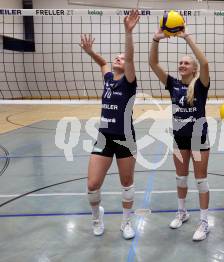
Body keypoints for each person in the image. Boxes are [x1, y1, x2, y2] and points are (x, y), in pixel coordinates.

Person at [80, 10, 139, 239]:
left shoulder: (129, 82)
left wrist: (128, 31)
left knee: (126, 182)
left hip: (126, 137)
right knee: (93, 184)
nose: (118, 58)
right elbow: (103, 62)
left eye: (121, 58)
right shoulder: (107, 77)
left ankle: (126, 223)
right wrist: (89, 51)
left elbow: (130, 58)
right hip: (104, 137)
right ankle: (97, 218)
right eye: (117, 57)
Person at [149, 27, 211, 241]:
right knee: (181, 178)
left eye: (186, 63)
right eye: (180, 63)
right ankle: (182, 212)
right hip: (179, 139)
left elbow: (205, 63)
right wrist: (156, 40)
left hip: (198, 139)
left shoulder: (201, 85)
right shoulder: (173, 84)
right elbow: (153, 64)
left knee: (201, 181)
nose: (181, 65)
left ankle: (204, 222)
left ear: (193, 69)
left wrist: (187, 38)